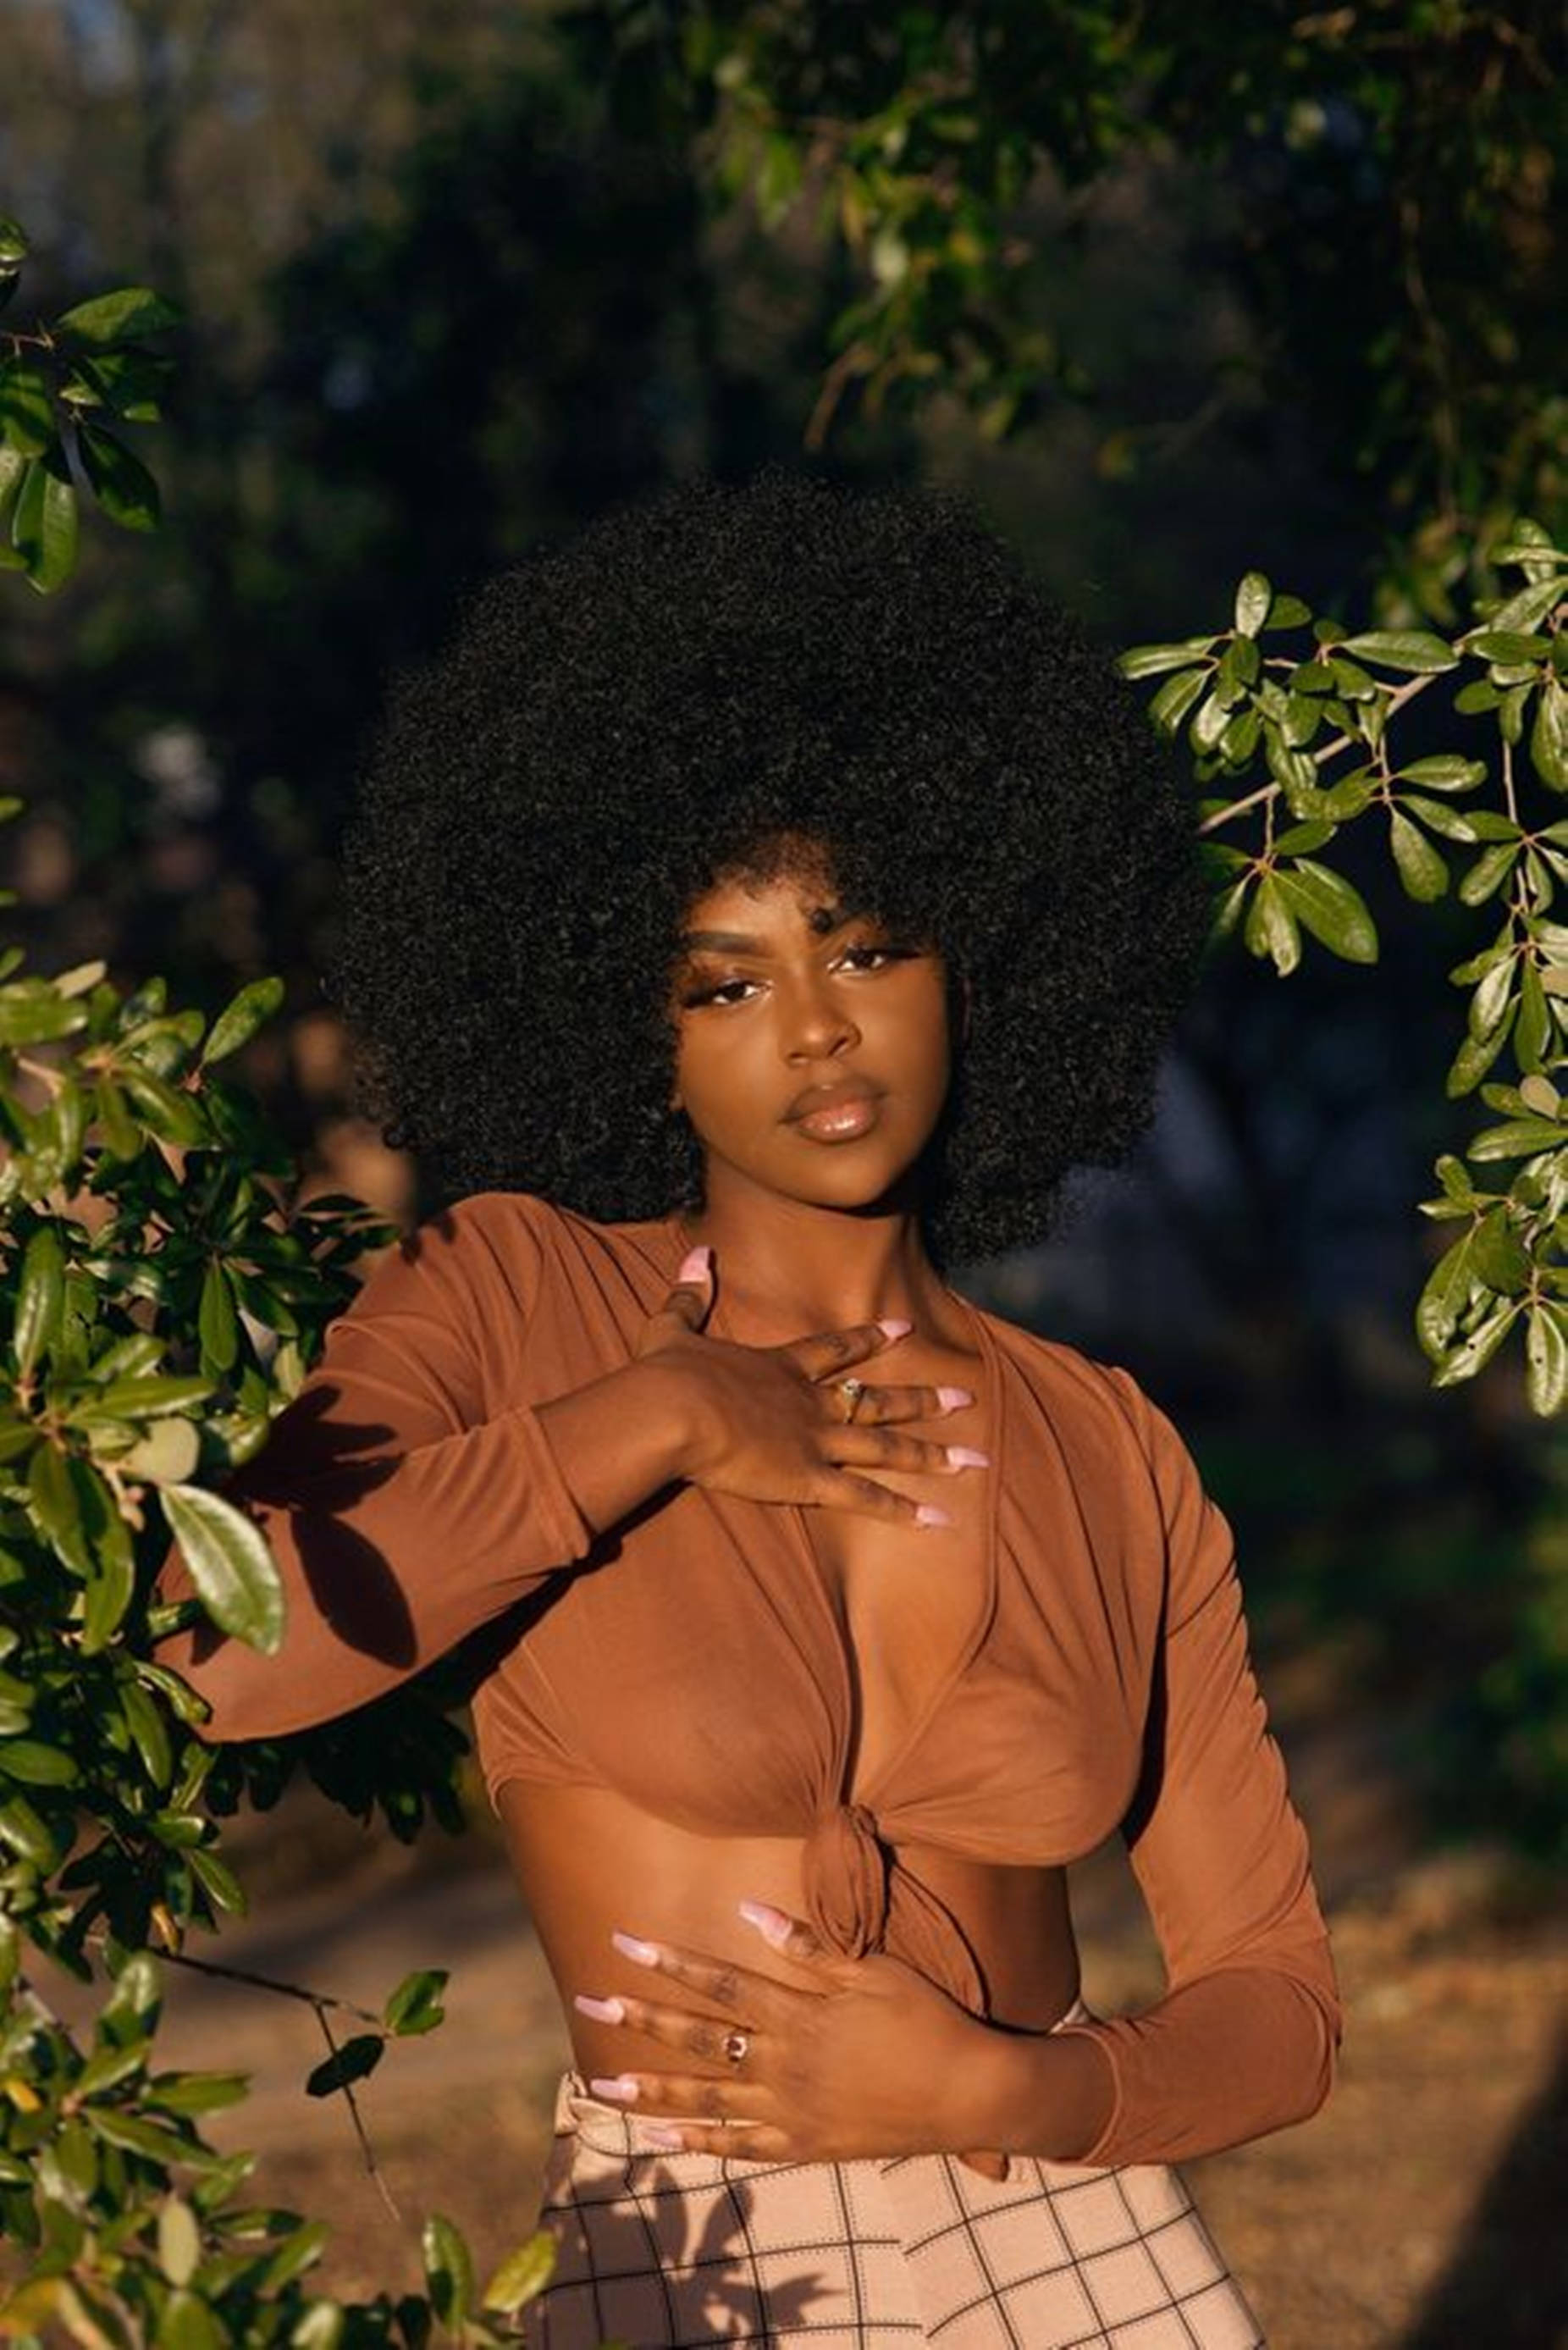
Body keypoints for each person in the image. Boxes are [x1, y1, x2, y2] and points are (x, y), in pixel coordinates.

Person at [160, 471, 1339, 2348]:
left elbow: (1274, 2000)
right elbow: (208, 1657)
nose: (815, 1028)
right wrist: (651, 1427)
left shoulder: (1106, 1444)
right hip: (699, 2266)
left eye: (867, 947)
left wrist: (998, 2090)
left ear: (985, 959)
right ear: (636, 1023)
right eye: (728, 980)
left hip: (1070, 2242)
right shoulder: (508, 1294)